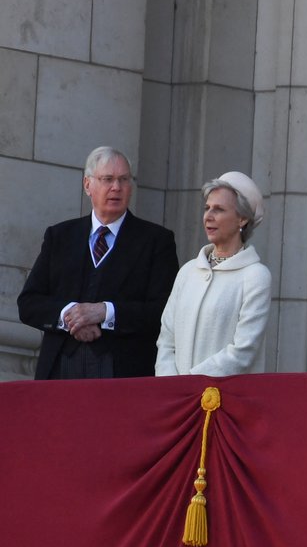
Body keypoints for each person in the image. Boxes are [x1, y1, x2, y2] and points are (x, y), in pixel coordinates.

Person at [17, 146, 179, 379]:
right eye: (107, 179)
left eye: (124, 179)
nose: (116, 187)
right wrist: (71, 316)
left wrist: (105, 312)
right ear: (87, 185)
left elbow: (163, 311)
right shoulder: (60, 236)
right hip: (60, 370)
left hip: (123, 374)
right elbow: (29, 303)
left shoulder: (156, 241)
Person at [155, 172, 271, 376]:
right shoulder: (188, 272)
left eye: (219, 209)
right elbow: (166, 339)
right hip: (179, 399)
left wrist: (191, 383)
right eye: (207, 208)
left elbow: (243, 351)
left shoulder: (255, 276)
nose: (208, 216)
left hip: (226, 400)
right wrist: (170, 384)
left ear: (242, 219)